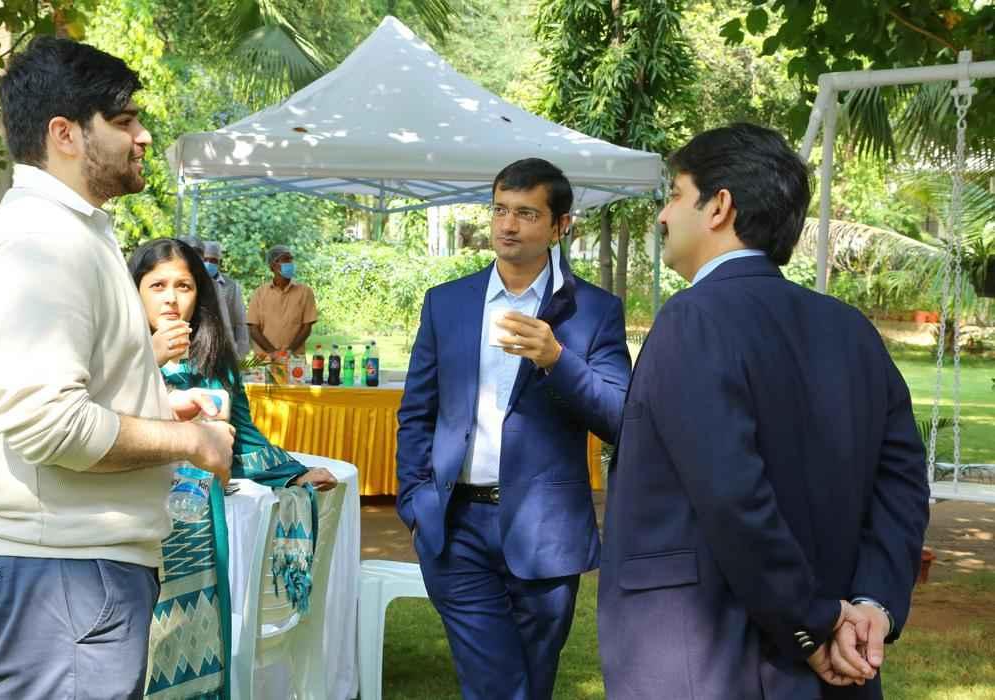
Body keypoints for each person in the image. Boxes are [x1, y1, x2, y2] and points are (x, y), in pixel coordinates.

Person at [597, 123, 930, 700]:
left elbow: (732, 494)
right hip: (838, 661)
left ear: (719, 206)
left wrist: (814, 621)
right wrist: (872, 605)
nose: (663, 216)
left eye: (674, 195)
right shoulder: (851, 329)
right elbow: (902, 481)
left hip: (711, 662)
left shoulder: (691, 319)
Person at [0, 38, 234, 699]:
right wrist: (190, 440)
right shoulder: (41, 242)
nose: (143, 136)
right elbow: (48, 425)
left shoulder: (69, 231)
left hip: (60, 573)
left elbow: (60, 400)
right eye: (124, 120)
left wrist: (157, 407)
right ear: (65, 134)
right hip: (55, 573)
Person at [397, 158, 631, 700]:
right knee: (495, 684)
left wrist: (557, 360)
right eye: (500, 209)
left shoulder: (596, 311)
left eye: (526, 213)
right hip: (456, 526)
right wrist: (415, 501)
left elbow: (620, 417)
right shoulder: (447, 303)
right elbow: (417, 412)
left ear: (560, 225)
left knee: (532, 682)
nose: (507, 225)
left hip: (545, 533)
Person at [129, 237, 336, 698]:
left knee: (195, 636)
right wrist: (149, 357)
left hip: (198, 514)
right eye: (157, 285)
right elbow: (103, 416)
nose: (170, 298)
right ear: (134, 290)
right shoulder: (115, 351)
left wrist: (290, 472)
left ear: (200, 294)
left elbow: (241, 433)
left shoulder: (213, 355)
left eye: (183, 286)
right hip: (130, 511)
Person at [246, 244, 317, 358]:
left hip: (294, 358)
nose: (290, 263)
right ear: (273, 266)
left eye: (291, 260)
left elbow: (307, 327)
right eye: (285, 260)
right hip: (265, 359)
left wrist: (289, 352)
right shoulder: (259, 293)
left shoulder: (305, 292)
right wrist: (273, 352)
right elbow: (253, 328)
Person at [204, 240, 251, 358]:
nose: (209, 263)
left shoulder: (231, 286)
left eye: (213, 260)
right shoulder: (194, 283)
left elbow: (240, 321)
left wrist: (240, 352)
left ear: (219, 262)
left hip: (225, 348)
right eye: (205, 259)